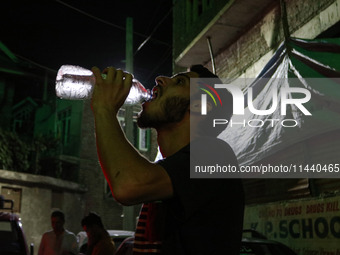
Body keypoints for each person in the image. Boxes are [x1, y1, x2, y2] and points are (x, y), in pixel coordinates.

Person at [91, 64, 244, 254]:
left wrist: (104, 108)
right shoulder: (166, 176)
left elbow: (127, 185)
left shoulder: (215, 155)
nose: (160, 79)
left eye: (179, 81)